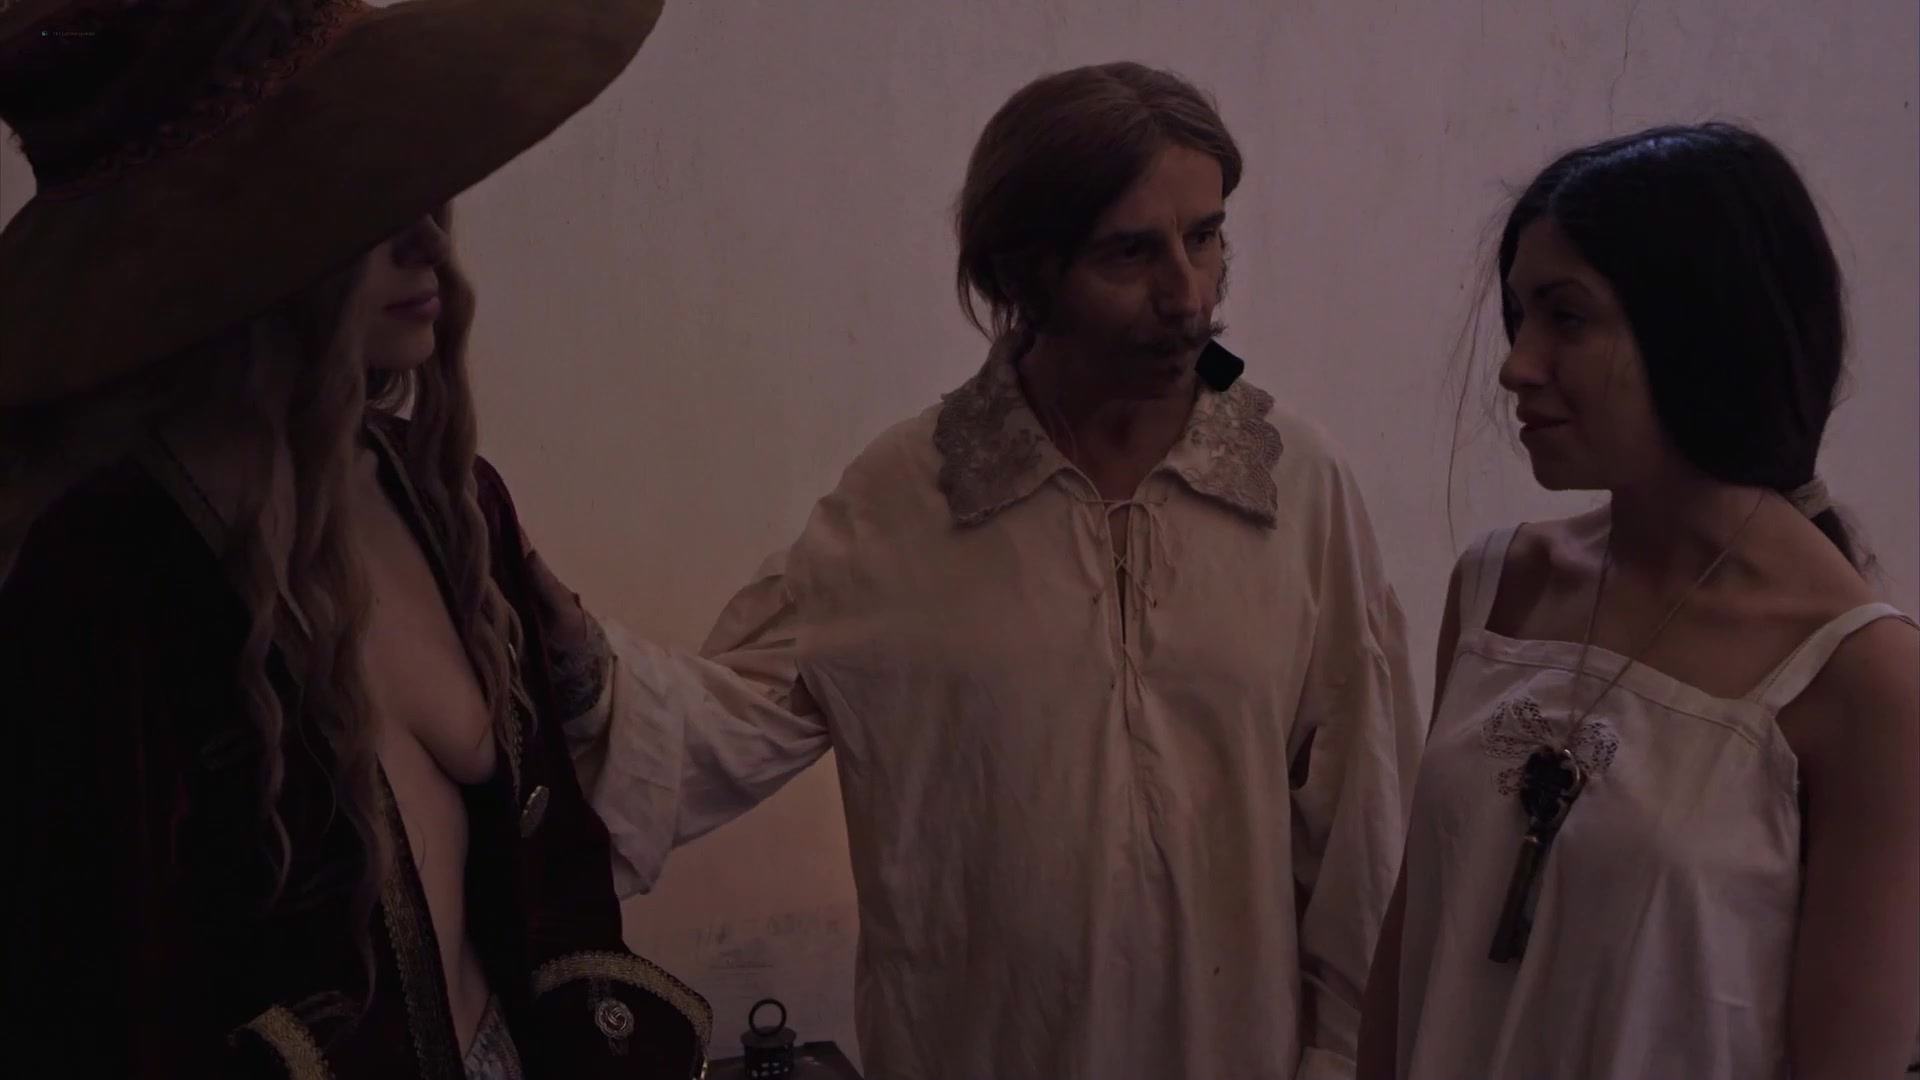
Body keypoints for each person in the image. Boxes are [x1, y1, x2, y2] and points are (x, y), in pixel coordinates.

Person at [544, 61, 1426, 1080]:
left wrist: (1344, 1062)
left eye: (1206, 236)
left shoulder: (1296, 485)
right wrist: (568, 653)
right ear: (1022, 275)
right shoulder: (908, 498)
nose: (1187, 296)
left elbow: (1364, 831)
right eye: (1130, 253)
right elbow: (723, 721)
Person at [0, 0, 714, 1076]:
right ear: (231, 235)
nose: (427, 241)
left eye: (420, 185)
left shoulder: (451, 502)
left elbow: (555, 875)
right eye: (362, 197)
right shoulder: (101, 576)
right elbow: (78, 1005)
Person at [1353, 123, 1920, 1080]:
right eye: (1520, 315)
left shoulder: (1860, 676)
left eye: (1567, 319)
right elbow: (1412, 955)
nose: (1518, 364)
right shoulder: (1502, 585)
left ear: (1701, 329)